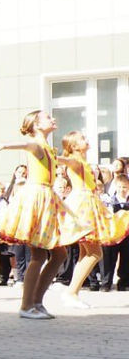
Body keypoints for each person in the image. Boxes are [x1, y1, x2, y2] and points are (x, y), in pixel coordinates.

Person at [0, 111, 90, 318]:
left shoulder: (48, 147)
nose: (53, 119)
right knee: (39, 255)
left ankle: (36, 301)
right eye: (46, 118)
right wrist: (5, 146)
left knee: (59, 254)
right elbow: (27, 146)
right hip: (38, 197)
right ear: (35, 125)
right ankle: (27, 306)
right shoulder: (36, 143)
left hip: (48, 197)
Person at [58, 131, 129, 307]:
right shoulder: (75, 160)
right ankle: (71, 292)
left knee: (87, 252)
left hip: (88, 204)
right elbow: (65, 160)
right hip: (83, 206)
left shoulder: (83, 161)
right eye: (82, 138)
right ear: (74, 146)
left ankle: (72, 292)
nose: (87, 139)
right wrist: (52, 155)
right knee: (95, 252)